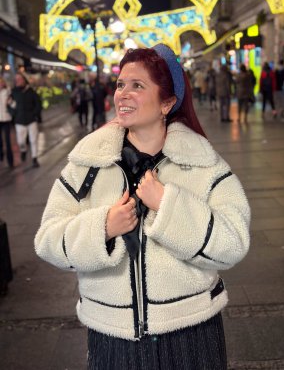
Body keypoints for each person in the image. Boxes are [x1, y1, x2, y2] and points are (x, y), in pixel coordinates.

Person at [35, 44, 251, 370]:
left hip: (189, 335)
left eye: (138, 86)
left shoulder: (202, 164)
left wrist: (168, 205)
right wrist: (102, 227)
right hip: (112, 338)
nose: (123, 93)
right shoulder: (87, 165)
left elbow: (233, 242)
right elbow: (47, 240)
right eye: (121, 84)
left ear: (167, 102)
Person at [8, 73, 41, 168]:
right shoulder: (13, 92)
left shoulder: (31, 91)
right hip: (19, 121)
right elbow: (9, 104)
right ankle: (23, 150)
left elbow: (38, 103)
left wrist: (35, 114)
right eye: (16, 79)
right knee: (21, 141)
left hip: (31, 120)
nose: (18, 81)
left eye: (20, 79)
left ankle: (35, 159)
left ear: (24, 80)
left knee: (33, 140)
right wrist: (13, 114)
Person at [0, 77, 14, 168]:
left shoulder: (8, 91)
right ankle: (1, 154)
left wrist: (10, 102)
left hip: (6, 119)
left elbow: (13, 104)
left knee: (8, 142)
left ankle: (10, 161)